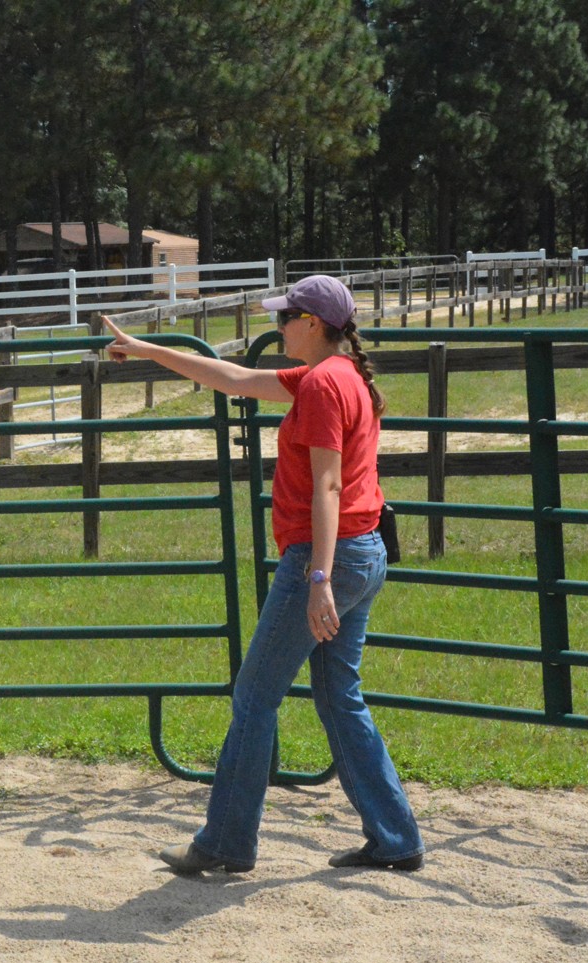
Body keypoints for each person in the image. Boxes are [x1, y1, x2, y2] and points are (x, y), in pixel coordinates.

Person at [104, 274, 424, 874]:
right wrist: (147, 350)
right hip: (362, 552)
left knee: (254, 697)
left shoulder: (325, 385)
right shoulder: (334, 375)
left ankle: (226, 842)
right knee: (338, 696)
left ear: (313, 324)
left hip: (326, 559)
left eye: (286, 317)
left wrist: (319, 580)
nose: (277, 326)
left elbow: (328, 485)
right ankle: (395, 837)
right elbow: (233, 378)